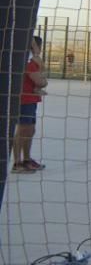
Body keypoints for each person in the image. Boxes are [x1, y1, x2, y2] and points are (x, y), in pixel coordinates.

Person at [13, 36, 48, 174]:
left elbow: (41, 80)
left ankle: (27, 160)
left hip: (31, 99)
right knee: (22, 131)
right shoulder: (29, 62)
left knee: (30, 130)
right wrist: (42, 75)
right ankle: (17, 163)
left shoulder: (33, 62)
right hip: (24, 100)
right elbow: (41, 82)